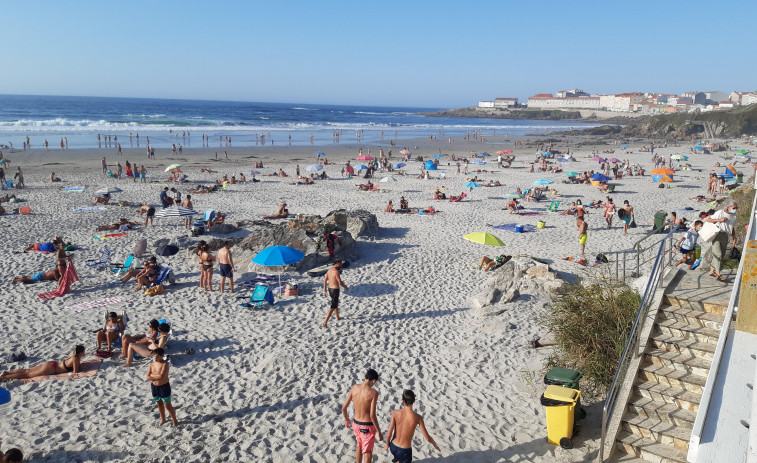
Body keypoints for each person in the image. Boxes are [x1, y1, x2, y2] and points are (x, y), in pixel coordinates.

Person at [384, 389, 441, 462]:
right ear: (414, 401)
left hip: (393, 446)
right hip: (404, 450)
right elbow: (427, 438)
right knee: (401, 457)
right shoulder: (418, 418)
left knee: (398, 458)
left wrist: (387, 444)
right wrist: (434, 444)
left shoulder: (395, 413)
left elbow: (389, 433)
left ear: (403, 401)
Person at [342, 369, 383, 463]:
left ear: (364, 377)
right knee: (368, 452)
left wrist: (346, 419)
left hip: (355, 424)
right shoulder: (373, 393)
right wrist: (379, 431)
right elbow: (372, 415)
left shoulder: (354, 387)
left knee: (359, 445)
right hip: (367, 426)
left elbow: (344, 407)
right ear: (374, 381)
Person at [0, 345, 85, 381]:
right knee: (27, 375)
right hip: (51, 369)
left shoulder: (72, 355)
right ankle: (4, 377)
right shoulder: (76, 359)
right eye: (83, 352)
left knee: (27, 370)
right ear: (80, 353)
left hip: (51, 363)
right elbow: (75, 372)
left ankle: (7, 372)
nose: (84, 353)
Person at [705, 203, 738, 282]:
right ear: (728, 207)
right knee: (718, 254)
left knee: (722, 254)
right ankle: (718, 273)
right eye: (734, 207)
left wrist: (734, 236)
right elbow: (708, 220)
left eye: (736, 208)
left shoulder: (734, 216)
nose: (735, 209)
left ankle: (711, 271)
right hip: (717, 234)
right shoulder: (720, 213)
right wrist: (720, 220)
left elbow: (732, 227)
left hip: (725, 235)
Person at [146, 347, 178, 426]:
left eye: (157, 356)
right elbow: (147, 377)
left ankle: (175, 420)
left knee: (167, 405)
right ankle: (163, 419)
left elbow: (161, 376)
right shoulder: (151, 365)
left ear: (162, 356)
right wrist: (154, 376)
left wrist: (152, 376)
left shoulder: (165, 364)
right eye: (154, 356)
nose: (155, 358)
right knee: (159, 404)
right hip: (154, 387)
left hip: (164, 387)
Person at [323, 260, 349, 328]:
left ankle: (338, 317)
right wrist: (346, 287)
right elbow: (340, 283)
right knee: (333, 306)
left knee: (335, 303)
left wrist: (325, 290)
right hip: (335, 290)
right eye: (340, 264)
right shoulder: (336, 272)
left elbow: (325, 280)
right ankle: (325, 322)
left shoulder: (329, 270)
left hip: (330, 289)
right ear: (337, 264)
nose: (341, 266)